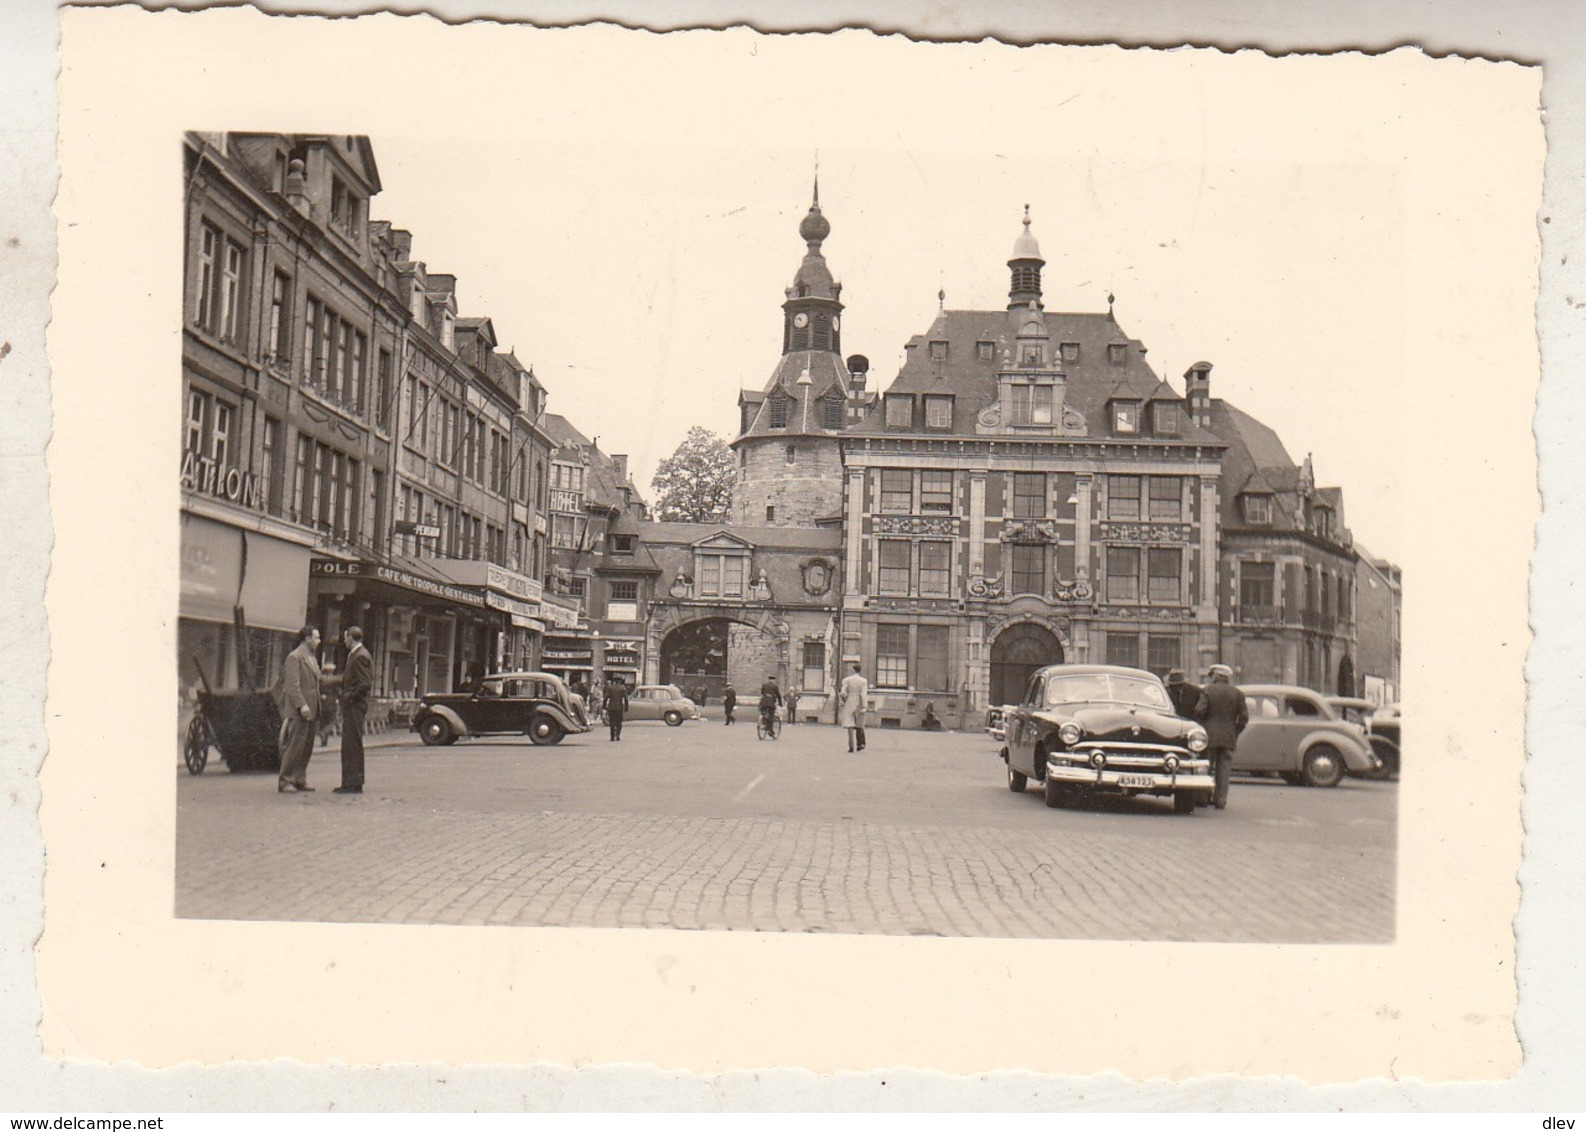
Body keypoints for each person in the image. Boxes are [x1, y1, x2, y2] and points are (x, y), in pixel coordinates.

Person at [1194, 663, 1249, 810]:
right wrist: (1235, 731)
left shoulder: (1208, 690)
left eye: (1212, 676)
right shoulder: (1238, 693)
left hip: (1209, 737)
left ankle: (1202, 798)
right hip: (1229, 737)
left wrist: (1203, 724)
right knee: (1224, 771)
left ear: (1216, 676)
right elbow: (1244, 718)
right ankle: (1220, 800)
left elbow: (1199, 710)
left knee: (1205, 767)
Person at [278, 625, 322, 793]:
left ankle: (299, 778)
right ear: (307, 639)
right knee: (295, 746)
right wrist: (301, 704)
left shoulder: (311, 657)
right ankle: (285, 780)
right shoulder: (295, 657)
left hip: (313, 710)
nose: (319, 641)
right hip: (301, 711)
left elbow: (319, 680)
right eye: (316, 638)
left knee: (306, 747)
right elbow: (293, 686)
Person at [330, 626, 373, 794]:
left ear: (351, 638)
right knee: (350, 743)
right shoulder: (357, 654)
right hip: (354, 704)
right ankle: (352, 780)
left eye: (345, 637)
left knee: (351, 743)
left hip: (355, 705)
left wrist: (349, 697)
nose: (344, 640)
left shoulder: (360, 656)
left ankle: (352, 782)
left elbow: (364, 683)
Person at [839, 663, 868, 752]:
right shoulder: (863, 681)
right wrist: (864, 705)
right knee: (859, 724)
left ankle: (851, 746)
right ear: (860, 670)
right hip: (858, 702)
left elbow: (842, 693)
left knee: (849, 724)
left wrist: (845, 700)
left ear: (853, 670)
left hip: (849, 701)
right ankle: (860, 744)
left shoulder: (846, 680)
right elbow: (863, 694)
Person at [604, 675, 629, 741]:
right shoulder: (623, 688)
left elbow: (605, 698)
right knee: (619, 722)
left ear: (614, 681)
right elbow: (626, 699)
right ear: (620, 681)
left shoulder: (610, 688)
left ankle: (612, 737)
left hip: (611, 707)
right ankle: (618, 735)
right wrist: (626, 708)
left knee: (612, 722)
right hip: (619, 708)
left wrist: (604, 706)